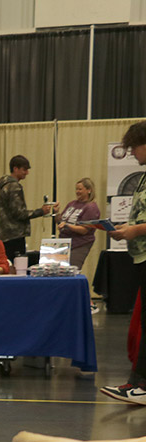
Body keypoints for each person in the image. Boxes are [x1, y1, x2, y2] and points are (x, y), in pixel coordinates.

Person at [100, 122, 146, 405]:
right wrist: (126, 226)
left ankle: (140, 385)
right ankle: (138, 383)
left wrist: (135, 230)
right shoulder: (142, 177)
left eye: (134, 148)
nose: (132, 154)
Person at [0, 155, 57, 262]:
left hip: (4, 234)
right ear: (15, 169)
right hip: (14, 236)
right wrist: (41, 211)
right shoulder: (14, 186)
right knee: (18, 267)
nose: (27, 172)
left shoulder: (3, 186)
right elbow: (19, 213)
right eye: (24, 169)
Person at [56, 178, 101, 271]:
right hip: (64, 243)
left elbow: (84, 230)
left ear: (89, 190)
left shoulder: (91, 207)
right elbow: (60, 222)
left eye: (80, 189)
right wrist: (56, 213)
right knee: (58, 272)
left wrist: (67, 225)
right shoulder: (72, 203)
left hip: (79, 244)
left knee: (72, 271)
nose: (77, 191)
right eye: (76, 189)